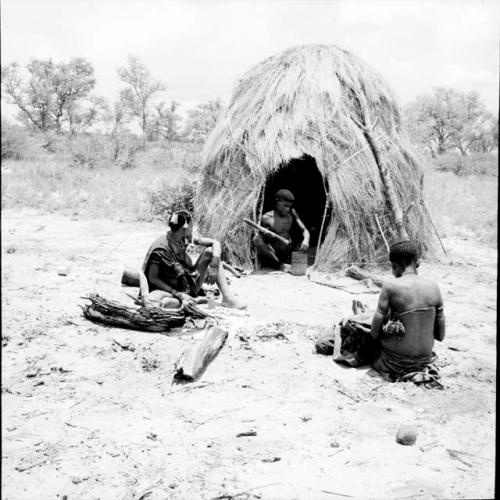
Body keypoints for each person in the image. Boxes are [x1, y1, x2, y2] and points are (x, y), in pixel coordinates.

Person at [315, 240, 445, 382]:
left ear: (394, 266)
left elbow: (374, 333)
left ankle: (359, 316)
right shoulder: (434, 288)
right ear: (417, 263)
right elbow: (440, 336)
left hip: (392, 364)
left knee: (356, 329)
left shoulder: (390, 286)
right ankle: (363, 314)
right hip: (424, 361)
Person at [142, 210, 246, 310]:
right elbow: (152, 278)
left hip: (188, 283)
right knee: (163, 302)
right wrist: (176, 293)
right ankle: (199, 300)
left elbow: (215, 243)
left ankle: (227, 298)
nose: (193, 227)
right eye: (192, 224)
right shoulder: (161, 249)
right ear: (185, 227)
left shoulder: (183, 238)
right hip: (171, 289)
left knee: (210, 252)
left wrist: (214, 264)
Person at [253, 189, 310, 272]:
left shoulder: (292, 213)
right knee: (257, 239)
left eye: (289, 206)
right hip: (274, 253)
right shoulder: (267, 218)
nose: (287, 209)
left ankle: (290, 261)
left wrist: (306, 240)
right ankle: (279, 265)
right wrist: (267, 234)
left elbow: (305, 230)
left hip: (289, 250)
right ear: (277, 202)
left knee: (305, 241)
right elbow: (262, 240)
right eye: (285, 205)